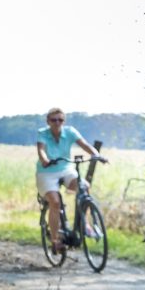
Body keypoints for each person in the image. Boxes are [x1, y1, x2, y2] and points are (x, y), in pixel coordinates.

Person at [35, 107, 105, 255]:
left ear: (64, 121)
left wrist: (96, 155)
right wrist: (45, 160)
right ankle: (55, 241)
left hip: (66, 168)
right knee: (55, 202)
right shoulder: (43, 134)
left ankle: (84, 224)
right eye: (53, 120)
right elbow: (41, 150)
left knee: (84, 187)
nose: (57, 123)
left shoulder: (70, 132)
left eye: (60, 120)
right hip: (47, 171)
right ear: (48, 121)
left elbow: (85, 145)